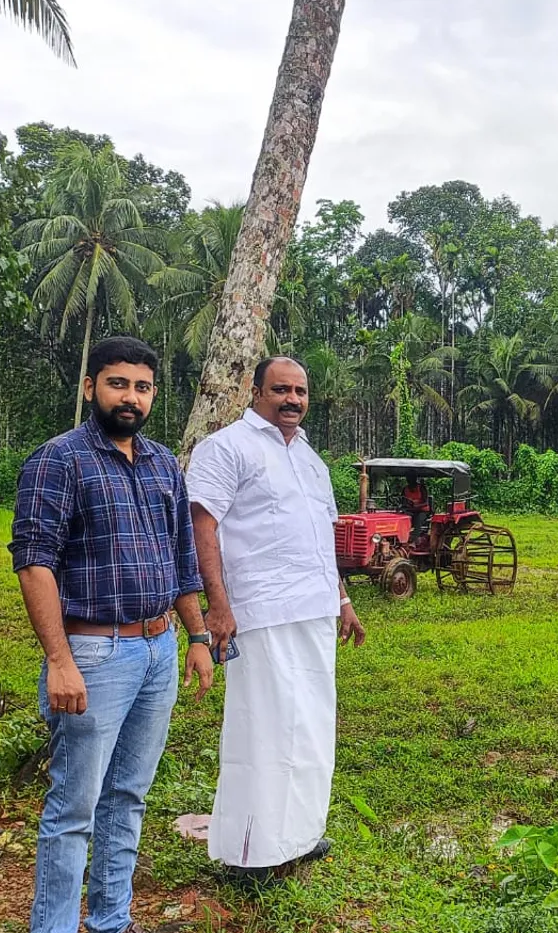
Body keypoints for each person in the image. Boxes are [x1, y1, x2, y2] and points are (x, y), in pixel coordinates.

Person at [10, 336, 213, 933]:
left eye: (142, 387)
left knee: (128, 796)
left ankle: (111, 920)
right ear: (90, 387)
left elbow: (182, 559)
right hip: (93, 652)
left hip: (158, 648)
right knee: (74, 808)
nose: (130, 397)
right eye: (118, 383)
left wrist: (197, 637)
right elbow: (34, 562)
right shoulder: (58, 460)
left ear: (154, 395)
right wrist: (59, 660)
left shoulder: (163, 464)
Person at [186, 356, 365, 885]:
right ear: (256, 391)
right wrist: (218, 605)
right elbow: (202, 528)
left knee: (310, 728)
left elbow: (320, 539)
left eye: (300, 391)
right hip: (259, 612)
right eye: (281, 389)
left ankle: (299, 837)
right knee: (261, 729)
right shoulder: (226, 448)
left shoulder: (311, 459)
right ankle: (251, 855)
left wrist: (342, 600)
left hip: (314, 611)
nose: (293, 400)